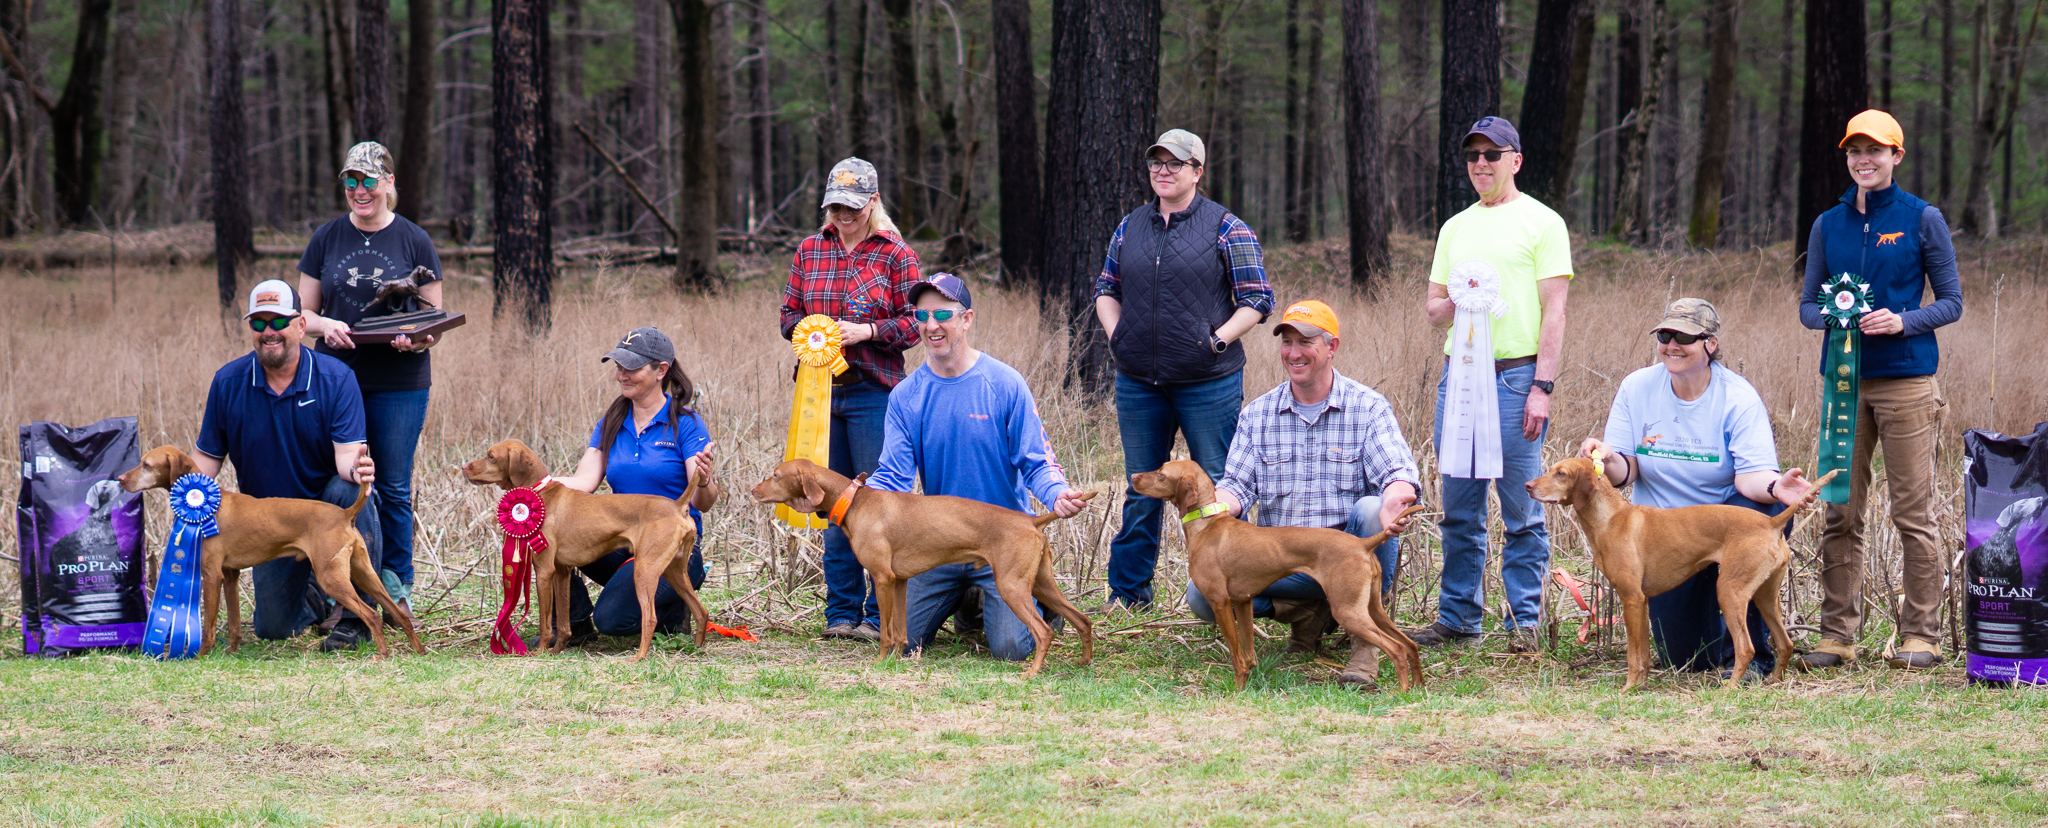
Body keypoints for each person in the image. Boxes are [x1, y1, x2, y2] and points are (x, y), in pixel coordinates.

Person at [1796, 109, 1963, 671]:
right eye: (1853, 152)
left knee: (1913, 513)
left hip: (1908, 383)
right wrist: (1833, 318)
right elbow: (1807, 306)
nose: (1863, 160)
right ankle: (1836, 635)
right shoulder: (1828, 223)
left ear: (1896, 156)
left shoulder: (1922, 219)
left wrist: (1903, 321)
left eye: (1875, 151)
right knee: (1841, 511)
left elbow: (1952, 302)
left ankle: (1921, 636)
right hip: (1842, 385)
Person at [1581, 299, 1819, 678]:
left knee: (1765, 516)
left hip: (1724, 524)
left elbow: (1749, 479)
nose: (1672, 344)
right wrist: (1606, 457)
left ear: (1710, 343)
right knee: (1687, 659)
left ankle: (1750, 659)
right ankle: (1718, 632)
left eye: (1685, 337)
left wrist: (1777, 486)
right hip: (1666, 537)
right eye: (1665, 335)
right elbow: (1624, 472)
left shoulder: (1737, 396)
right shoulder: (1637, 387)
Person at [1192, 300, 1423, 687]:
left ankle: (1362, 644)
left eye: (1306, 342)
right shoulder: (1258, 414)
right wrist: (1209, 506)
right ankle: (1307, 616)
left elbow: (1398, 472)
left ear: (1332, 346)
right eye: (1287, 343)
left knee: (1371, 509)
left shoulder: (1367, 407)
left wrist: (1396, 497)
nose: (1294, 353)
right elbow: (1237, 486)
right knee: (1202, 594)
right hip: (1281, 560)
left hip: (1343, 557)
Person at [1093, 128, 1274, 611]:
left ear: (1197, 171)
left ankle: (1231, 592)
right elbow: (1105, 289)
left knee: (1216, 487)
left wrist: (1216, 340)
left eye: (1175, 163)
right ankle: (1128, 594)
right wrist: (1118, 336)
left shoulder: (1227, 227)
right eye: (1156, 162)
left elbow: (1257, 300)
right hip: (1138, 383)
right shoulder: (1130, 226)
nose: (1163, 171)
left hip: (1207, 383)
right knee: (1141, 486)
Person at [866, 274, 1091, 661]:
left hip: (1002, 540)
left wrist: (1058, 494)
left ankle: (1037, 601)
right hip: (936, 543)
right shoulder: (906, 397)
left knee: (1010, 649)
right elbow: (893, 477)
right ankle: (967, 602)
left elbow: (1037, 460)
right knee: (903, 644)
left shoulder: (1004, 383)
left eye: (943, 314)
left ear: (966, 319)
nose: (931, 325)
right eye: (921, 314)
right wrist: (850, 497)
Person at [1418, 116, 1572, 652]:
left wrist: (1542, 386)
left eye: (1493, 153)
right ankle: (1459, 619)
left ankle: (1523, 623)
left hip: (1516, 379)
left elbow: (1555, 311)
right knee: (1459, 506)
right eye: (1473, 155)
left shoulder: (1543, 223)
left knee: (1523, 508)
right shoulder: (1455, 227)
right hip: (1458, 378)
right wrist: (1460, 299)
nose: (1481, 163)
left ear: (1516, 160)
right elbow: (1435, 310)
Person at [295, 141, 446, 650]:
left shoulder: (415, 240)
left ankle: (395, 589)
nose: (359, 190)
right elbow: (303, 315)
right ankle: (345, 592)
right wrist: (327, 325)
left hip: (399, 383)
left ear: (388, 182)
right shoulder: (325, 238)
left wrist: (417, 338)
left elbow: (434, 321)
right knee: (346, 483)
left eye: (368, 180)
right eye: (350, 181)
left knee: (394, 487)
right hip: (334, 379)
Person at [193, 280, 379, 649]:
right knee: (274, 628)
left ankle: (357, 618)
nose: (269, 332)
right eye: (258, 324)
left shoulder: (335, 378)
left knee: (347, 491)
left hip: (322, 509)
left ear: (300, 325)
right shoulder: (228, 381)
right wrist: (184, 493)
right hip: (269, 524)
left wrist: (358, 470)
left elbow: (347, 458)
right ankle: (316, 592)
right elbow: (207, 460)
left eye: (277, 322)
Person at [781, 156, 922, 642]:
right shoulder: (808, 250)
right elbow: (788, 315)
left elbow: (915, 324)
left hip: (873, 395)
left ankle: (877, 616)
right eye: (836, 206)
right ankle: (840, 614)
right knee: (829, 509)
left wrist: (866, 331)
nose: (843, 216)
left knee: (876, 505)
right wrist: (807, 331)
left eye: (853, 207)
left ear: (874, 202)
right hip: (817, 399)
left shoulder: (896, 256)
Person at [555, 327, 721, 641]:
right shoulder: (612, 421)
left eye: (631, 368)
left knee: (612, 622)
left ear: (661, 370)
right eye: (619, 367)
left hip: (670, 544)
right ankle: (573, 626)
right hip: (623, 540)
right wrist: (534, 486)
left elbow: (702, 503)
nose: (622, 376)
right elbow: (584, 482)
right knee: (548, 533)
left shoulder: (685, 423)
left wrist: (705, 480)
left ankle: (672, 612)